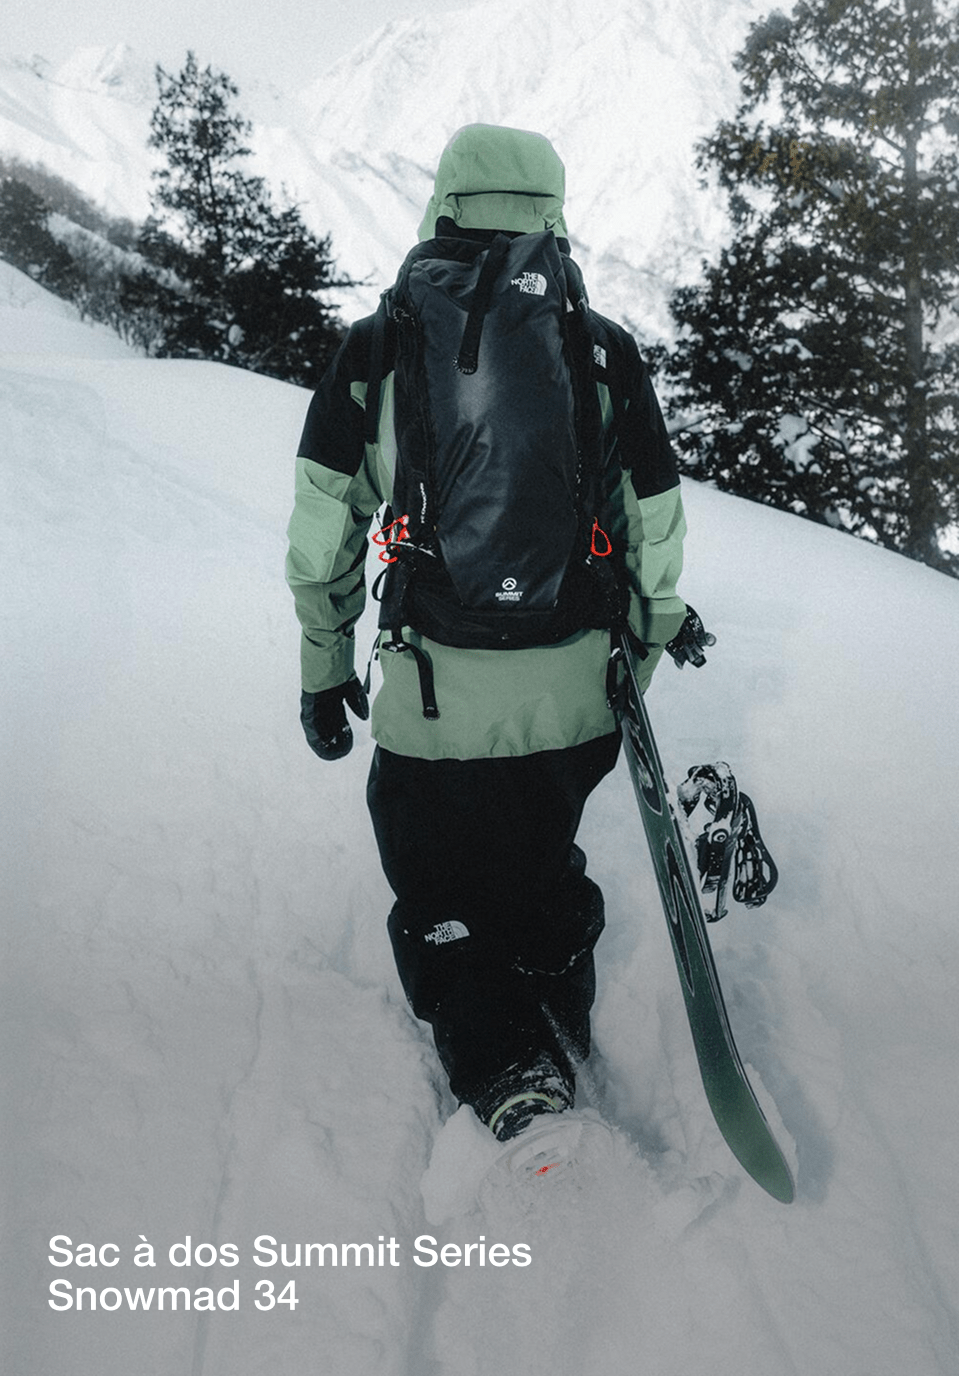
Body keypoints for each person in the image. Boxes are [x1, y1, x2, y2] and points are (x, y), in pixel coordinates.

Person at [286, 123, 689, 1144]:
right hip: (573, 695)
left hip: (432, 698)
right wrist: (626, 664)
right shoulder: (600, 350)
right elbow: (654, 526)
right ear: (552, 212)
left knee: (437, 886)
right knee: (540, 859)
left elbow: (322, 527)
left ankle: (506, 1068)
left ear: (445, 204)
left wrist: (322, 668)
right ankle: (560, 1014)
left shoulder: (378, 346)